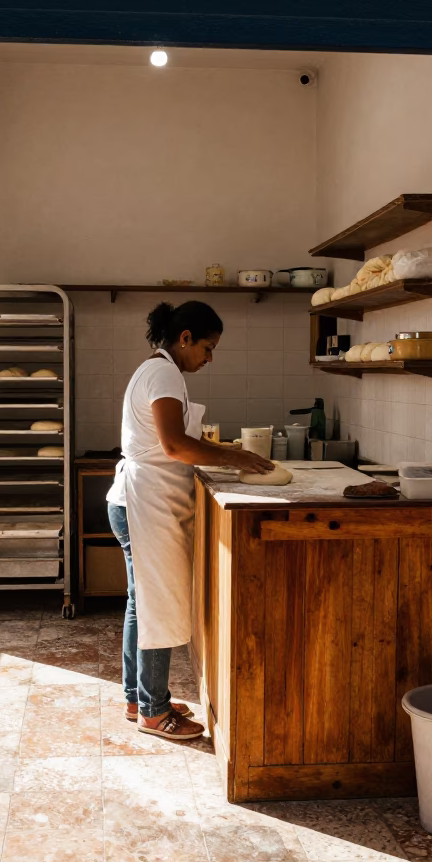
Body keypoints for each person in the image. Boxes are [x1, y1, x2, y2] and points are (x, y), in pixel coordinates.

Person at [106, 300, 274, 740]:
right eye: (208, 347)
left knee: (142, 604)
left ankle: (137, 697)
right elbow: (176, 445)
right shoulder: (162, 373)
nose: (209, 357)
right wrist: (233, 455)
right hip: (145, 503)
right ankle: (154, 712)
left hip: (143, 500)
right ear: (185, 339)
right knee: (155, 606)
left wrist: (223, 454)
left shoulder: (160, 370)